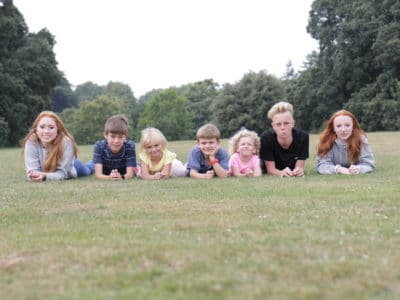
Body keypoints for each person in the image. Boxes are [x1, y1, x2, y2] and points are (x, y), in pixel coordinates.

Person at [22, 111, 94, 181]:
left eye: (51, 127)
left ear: (58, 130)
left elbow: (62, 174)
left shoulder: (66, 142)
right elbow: (32, 172)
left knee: (87, 170)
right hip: (51, 170)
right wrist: (35, 175)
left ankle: (96, 161)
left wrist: (45, 176)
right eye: (42, 127)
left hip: (72, 165)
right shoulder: (31, 142)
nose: (46, 131)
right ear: (36, 129)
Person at [316, 110, 375, 174]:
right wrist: (338, 169)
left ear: (353, 126)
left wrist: (358, 169)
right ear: (333, 128)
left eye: (347, 125)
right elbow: (321, 166)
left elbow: (368, 163)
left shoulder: (361, 139)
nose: (343, 130)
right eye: (338, 126)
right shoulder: (326, 140)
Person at [259, 101, 309, 177]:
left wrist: (298, 171)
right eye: (278, 124)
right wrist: (281, 173)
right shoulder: (266, 138)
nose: (283, 128)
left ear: (293, 123)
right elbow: (270, 170)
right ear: (273, 126)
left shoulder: (303, 137)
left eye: (286, 123)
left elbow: (299, 167)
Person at [92, 115, 137, 180]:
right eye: (113, 136)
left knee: (137, 168)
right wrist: (110, 177)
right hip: (103, 168)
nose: (116, 141)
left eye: (120, 137)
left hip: (123, 170)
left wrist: (121, 177)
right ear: (106, 135)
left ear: (125, 136)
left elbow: (130, 174)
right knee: (89, 168)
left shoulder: (129, 146)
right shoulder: (99, 146)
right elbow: (98, 175)